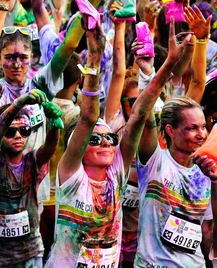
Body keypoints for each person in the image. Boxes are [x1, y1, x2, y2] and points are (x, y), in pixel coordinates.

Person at [45, 19, 190, 266]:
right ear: (77, 147)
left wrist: (161, 68)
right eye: (94, 139)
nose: (105, 143)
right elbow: (89, 116)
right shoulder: (70, 175)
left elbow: (140, 114)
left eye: (110, 138)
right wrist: (94, 55)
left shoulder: (116, 171)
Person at [0, 90, 61, 267]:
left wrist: (54, 124)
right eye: (10, 132)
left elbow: (49, 148)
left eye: (24, 130)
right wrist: (17, 104)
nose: (18, 136)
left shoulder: (32, 161)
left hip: (30, 253)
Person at [134, 93, 216, 267]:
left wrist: (215, 183)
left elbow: (207, 231)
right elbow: (145, 118)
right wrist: (149, 74)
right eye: (192, 128)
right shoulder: (154, 161)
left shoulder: (206, 170)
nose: (201, 134)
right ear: (170, 130)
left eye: (203, 127)